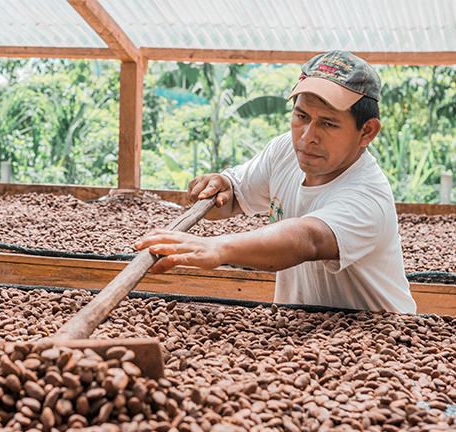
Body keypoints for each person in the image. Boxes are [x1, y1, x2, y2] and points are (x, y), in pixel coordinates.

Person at [135, 50, 416, 314]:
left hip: (378, 335)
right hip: (300, 328)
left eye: (329, 123)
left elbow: (309, 239)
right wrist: (219, 186)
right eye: (301, 116)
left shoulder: (367, 195)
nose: (307, 136)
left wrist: (217, 248)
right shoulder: (286, 150)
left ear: (366, 131)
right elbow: (230, 200)